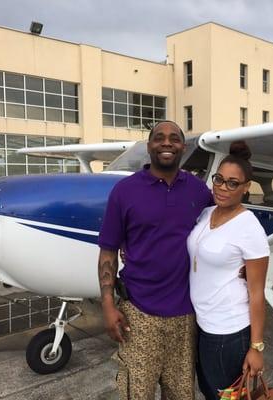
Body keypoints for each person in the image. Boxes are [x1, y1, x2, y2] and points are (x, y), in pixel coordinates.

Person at [97, 120, 212, 400]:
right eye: (159, 137)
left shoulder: (199, 191)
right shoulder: (124, 191)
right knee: (136, 394)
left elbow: (221, 234)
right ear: (149, 146)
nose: (166, 143)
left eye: (174, 138)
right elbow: (108, 251)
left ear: (183, 147)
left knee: (182, 394)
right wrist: (108, 304)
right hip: (139, 313)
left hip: (186, 316)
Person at [188, 141, 270, 400]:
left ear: (246, 188)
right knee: (210, 392)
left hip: (227, 331)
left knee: (226, 397)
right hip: (202, 324)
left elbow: (257, 293)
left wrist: (256, 347)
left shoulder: (249, 228)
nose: (223, 188)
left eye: (233, 183)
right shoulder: (206, 213)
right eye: (219, 180)